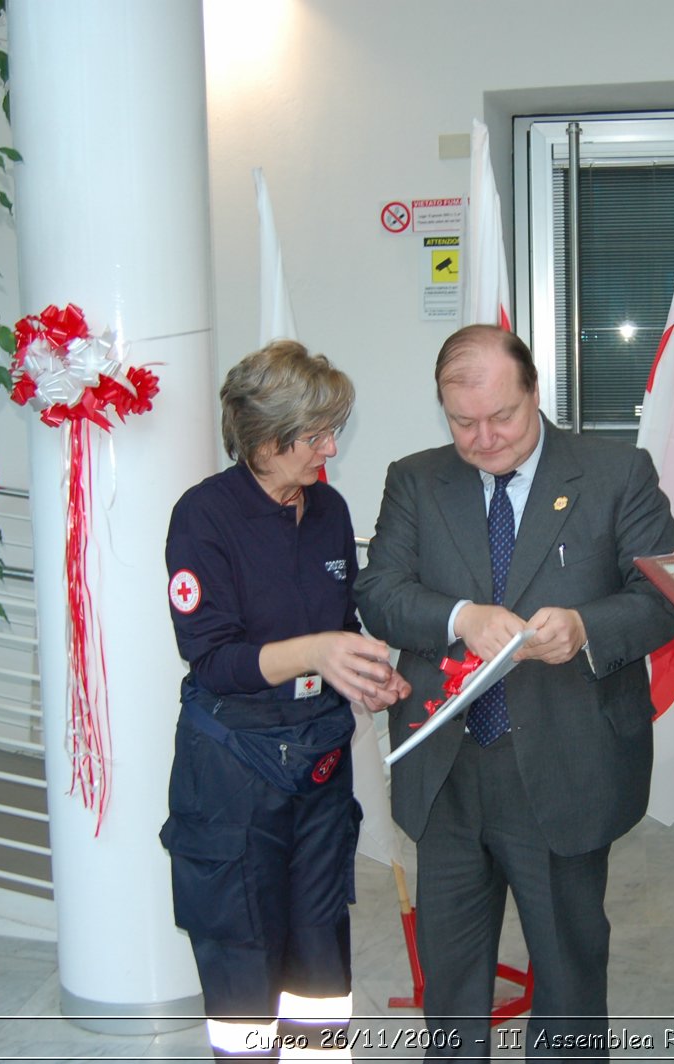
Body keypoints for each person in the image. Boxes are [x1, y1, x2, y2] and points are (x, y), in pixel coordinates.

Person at [354, 324, 674, 1059]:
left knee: (568, 977)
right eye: (462, 422)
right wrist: (458, 617)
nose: (483, 438)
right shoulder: (416, 478)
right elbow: (378, 590)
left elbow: (665, 596)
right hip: (446, 770)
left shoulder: (614, 472)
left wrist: (585, 629)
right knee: (451, 982)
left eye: (501, 417)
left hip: (566, 763)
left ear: (534, 393)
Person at [161, 341, 411, 1059]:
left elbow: (340, 626)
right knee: (243, 959)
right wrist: (317, 653)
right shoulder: (204, 517)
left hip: (318, 768)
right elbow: (213, 659)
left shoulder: (328, 510)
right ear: (266, 439)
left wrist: (364, 670)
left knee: (321, 958)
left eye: (335, 428)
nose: (331, 447)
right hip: (234, 774)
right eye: (317, 434)